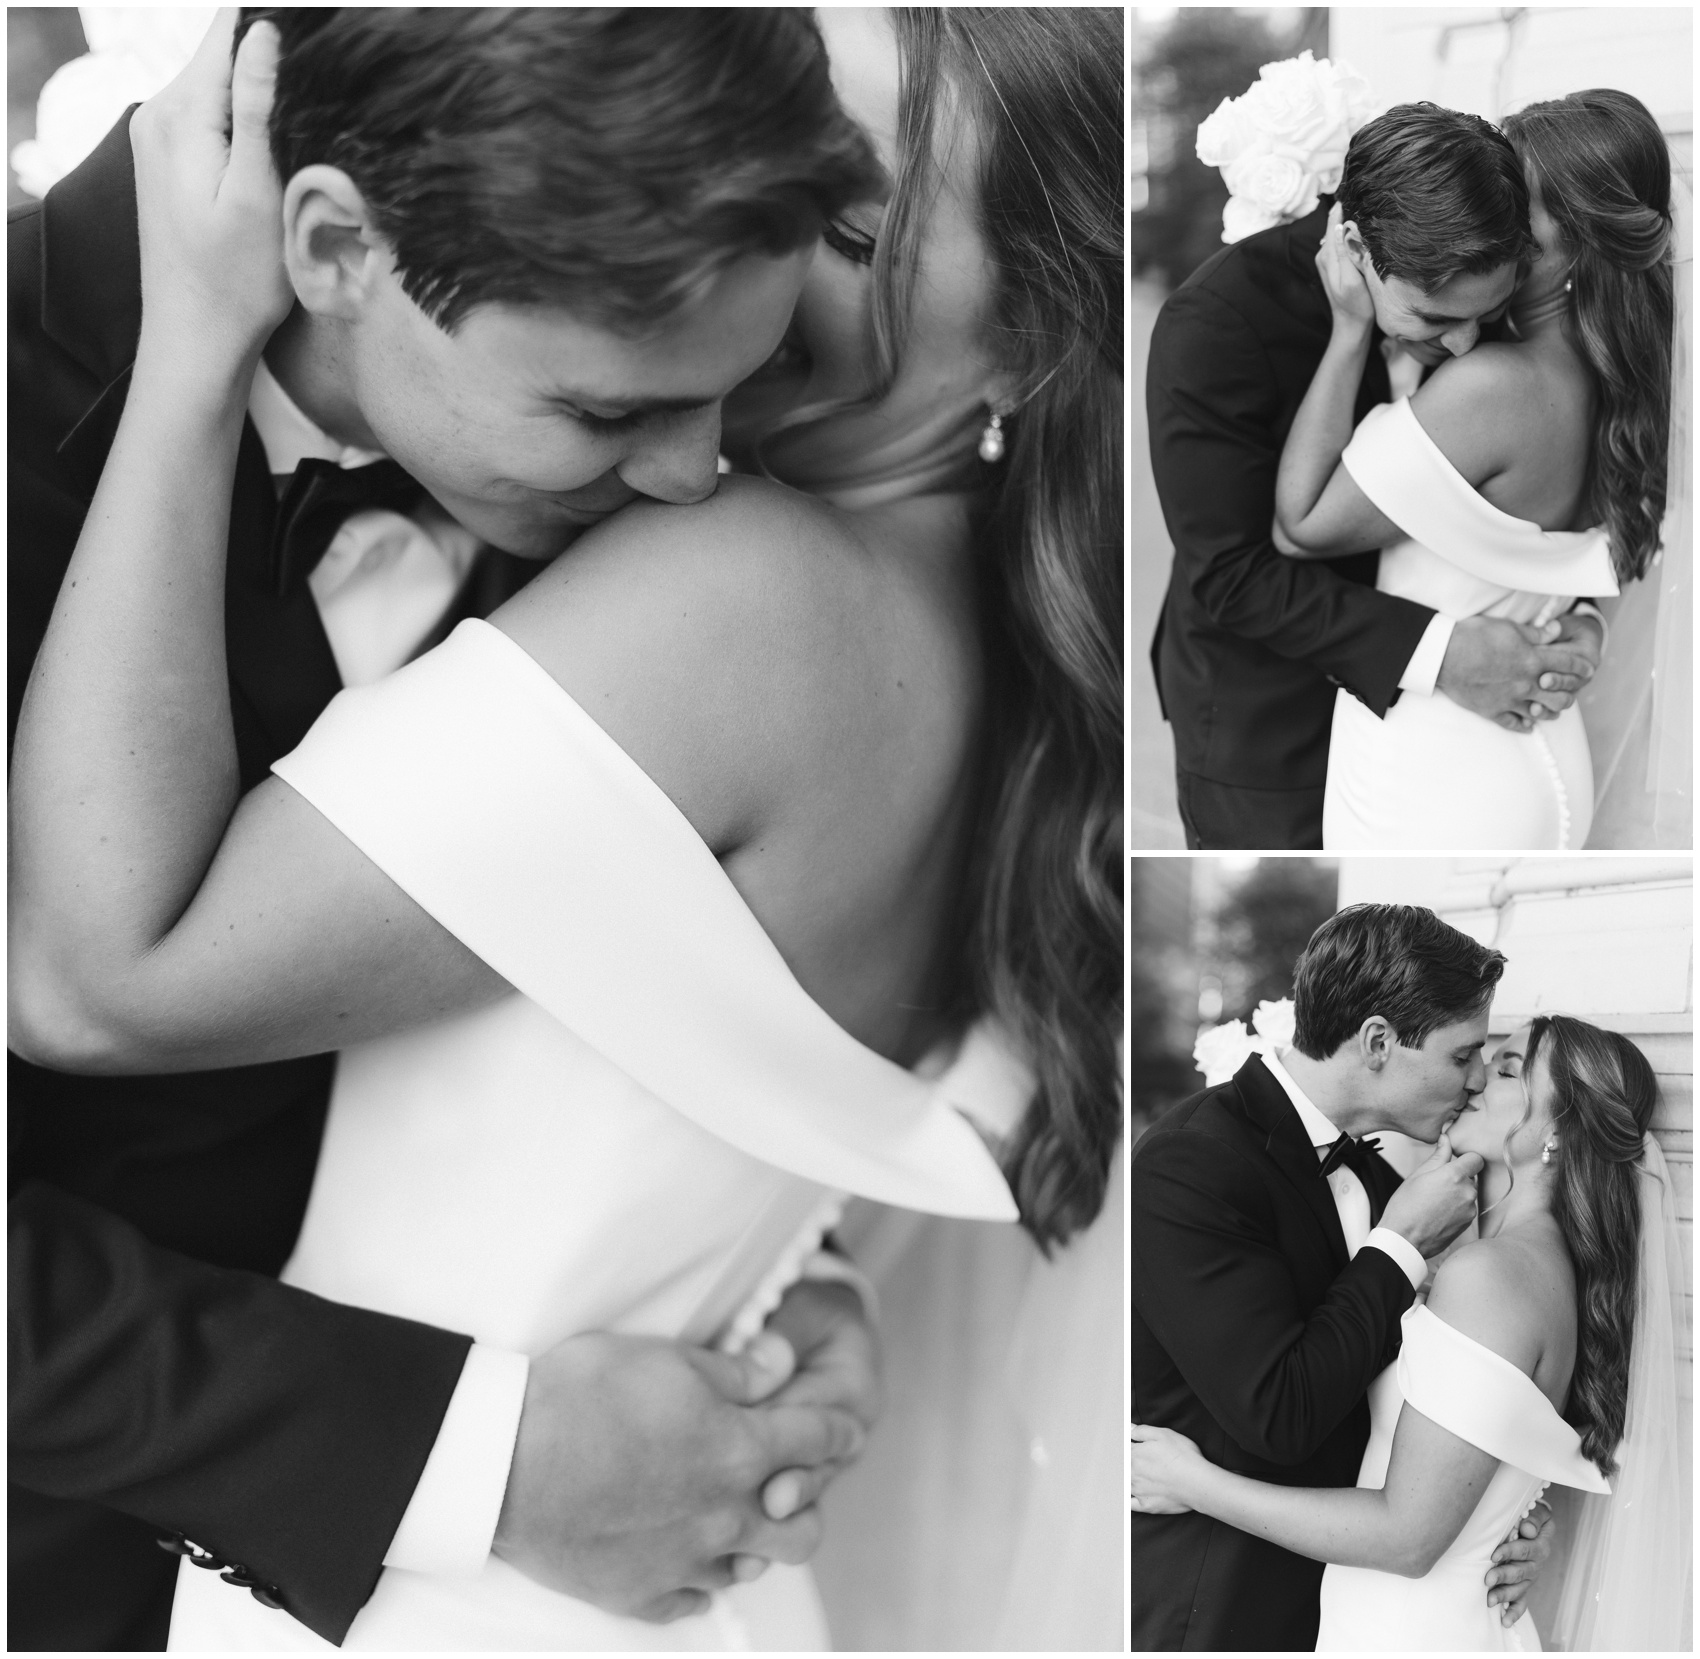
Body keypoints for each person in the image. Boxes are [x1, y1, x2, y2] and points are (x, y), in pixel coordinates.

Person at [10, 4, 1123, 1651]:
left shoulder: (692, 441)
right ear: (329, 248)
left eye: (825, 201)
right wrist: (485, 1452)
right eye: (807, 195)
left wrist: (777, 1274)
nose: (678, 466)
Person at [1131, 1014, 1688, 1653]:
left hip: (1403, 1627)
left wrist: (1194, 1484)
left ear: (1558, 1131)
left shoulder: (1492, 1275)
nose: (1476, 1080)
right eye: (1475, 1059)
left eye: (1507, 1070)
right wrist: (1517, 1520)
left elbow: (1408, 1539)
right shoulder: (1524, 1265)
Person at [1146, 102, 1604, 851]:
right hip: (1270, 728)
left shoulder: (1477, 282)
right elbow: (1230, 575)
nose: (1462, 347)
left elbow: (1513, 481)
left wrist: (1579, 616)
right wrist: (1443, 652)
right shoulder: (1218, 324)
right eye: (1430, 319)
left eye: (1481, 317)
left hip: (1442, 740)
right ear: (1356, 247)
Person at [1128, 905, 1557, 1650]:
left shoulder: (1383, 1169)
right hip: (1224, 1610)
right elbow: (1280, 1410)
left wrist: (1504, 1519)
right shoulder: (1190, 1165)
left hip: (1357, 1600)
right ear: (1380, 1042)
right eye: (1463, 1056)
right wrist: (1399, 1245)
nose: (1478, 1076)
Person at [1272, 90, 1674, 850]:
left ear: (1576, 244)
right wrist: (1584, 625)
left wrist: (1351, 329)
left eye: (1516, 208)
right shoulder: (1623, 389)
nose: (1488, 223)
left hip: (1437, 764)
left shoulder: (1496, 386)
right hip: (1541, 749)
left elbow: (1302, 522)